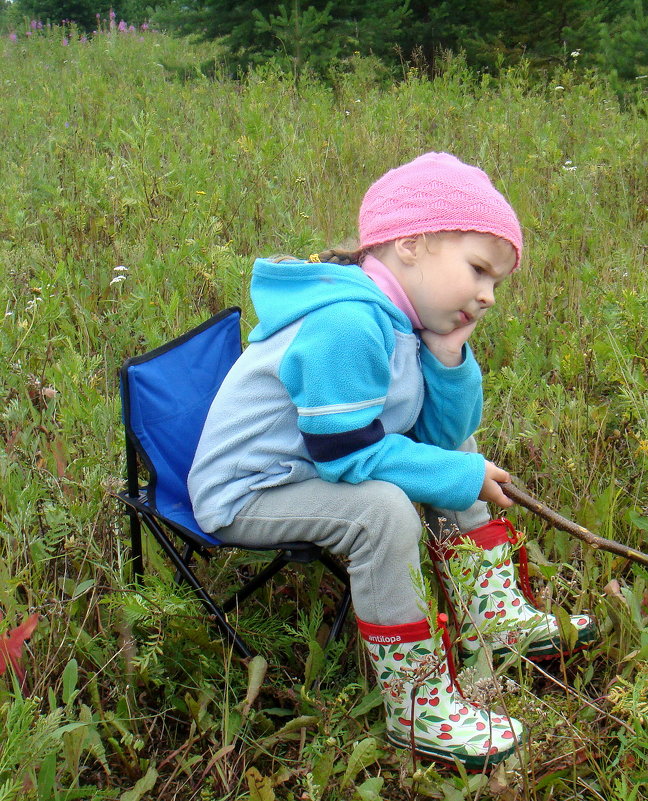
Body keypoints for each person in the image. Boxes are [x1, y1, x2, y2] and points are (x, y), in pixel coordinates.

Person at [187, 152, 597, 769]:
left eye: (497, 284)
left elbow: (442, 433)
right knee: (381, 512)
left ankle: (496, 615)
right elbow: (348, 455)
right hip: (251, 491)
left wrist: (448, 358)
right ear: (411, 243)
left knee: (451, 452)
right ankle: (417, 706)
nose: (487, 296)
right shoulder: (349, 323)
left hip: (311, 470)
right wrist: (458, 477)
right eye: (479, 269)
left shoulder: (403, 320)